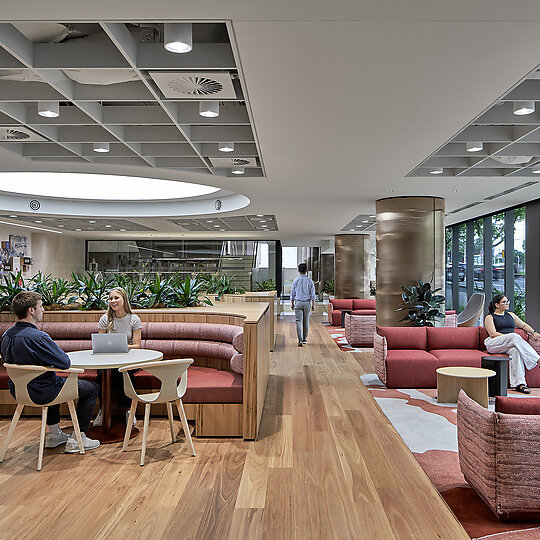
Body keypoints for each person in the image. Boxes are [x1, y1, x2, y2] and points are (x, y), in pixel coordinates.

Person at [0, 292, 100, 452]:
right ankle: (78, 438)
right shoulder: (38, 337)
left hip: (19, 391)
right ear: (31, 310)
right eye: (40, 306)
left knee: (52, 379)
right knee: (91, 389)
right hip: (43, 392)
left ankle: (54, 434)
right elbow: (65, 362)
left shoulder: (6, 335)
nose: (43, 310)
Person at [93, 287, 142, 426]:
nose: (113, 301)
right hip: (109, 359)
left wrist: (123, 347)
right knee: (102, 375)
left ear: (124, 300)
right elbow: (100, 342)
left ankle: (128, 411)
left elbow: (137, 344)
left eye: (116, 298)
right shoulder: (105, 318)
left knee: (124, 374)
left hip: (129, 359)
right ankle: (103, 411)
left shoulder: (134, 319)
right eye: (110, 298)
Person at [484, 293, 540, 393]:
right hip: (494, 343)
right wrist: (508, 337)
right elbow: (492, 333)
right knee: (513, 336)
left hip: (509, 344)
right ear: (497, 305)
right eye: (504, 302)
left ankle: (519, 384)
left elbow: (523, 325)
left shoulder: (511, 315)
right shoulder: (490, 317)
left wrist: (533, 332)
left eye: (507, 301)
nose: (507, 303)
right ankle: (537, 359)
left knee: (516, 351)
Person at [290, 263, 316, 347]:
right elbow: (313, 295)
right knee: (306, 321)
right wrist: (313, 305)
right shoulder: (310, 281)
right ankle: (305, 339)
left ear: (298, 270)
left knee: (298, 321)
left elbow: (292, 293)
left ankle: (300, 340)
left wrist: (292, 303)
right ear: (306, 270)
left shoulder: (295, 281)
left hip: (298, 302)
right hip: (307, 303)